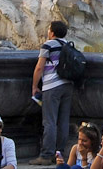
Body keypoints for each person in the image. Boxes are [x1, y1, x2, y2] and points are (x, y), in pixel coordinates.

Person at [30, 21, 74, 165]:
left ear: (52, 32)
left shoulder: (48, 45)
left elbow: (39, 67)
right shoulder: (68, 45)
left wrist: (34, 86)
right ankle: (59, 154)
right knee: (63, 121)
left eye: (49, 30)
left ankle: (46, 155)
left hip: (52, 86)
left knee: (49, 121)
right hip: (68, 85)